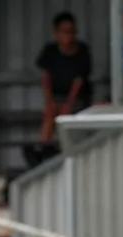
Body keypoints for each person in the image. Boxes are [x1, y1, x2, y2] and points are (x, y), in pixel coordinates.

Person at [35, 12, 92, 146]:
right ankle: (43, 148)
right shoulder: (50, 51)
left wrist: (68, 103)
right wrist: (49, 102)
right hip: (56, 96)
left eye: (72, 31)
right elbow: (45, 77)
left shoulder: (82, 51)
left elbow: (78, 81)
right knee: (49, 115)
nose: (69, 35)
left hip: (78, 98)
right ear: (56, 33)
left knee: (65, 116)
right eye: (65, 31)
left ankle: (67, 150)